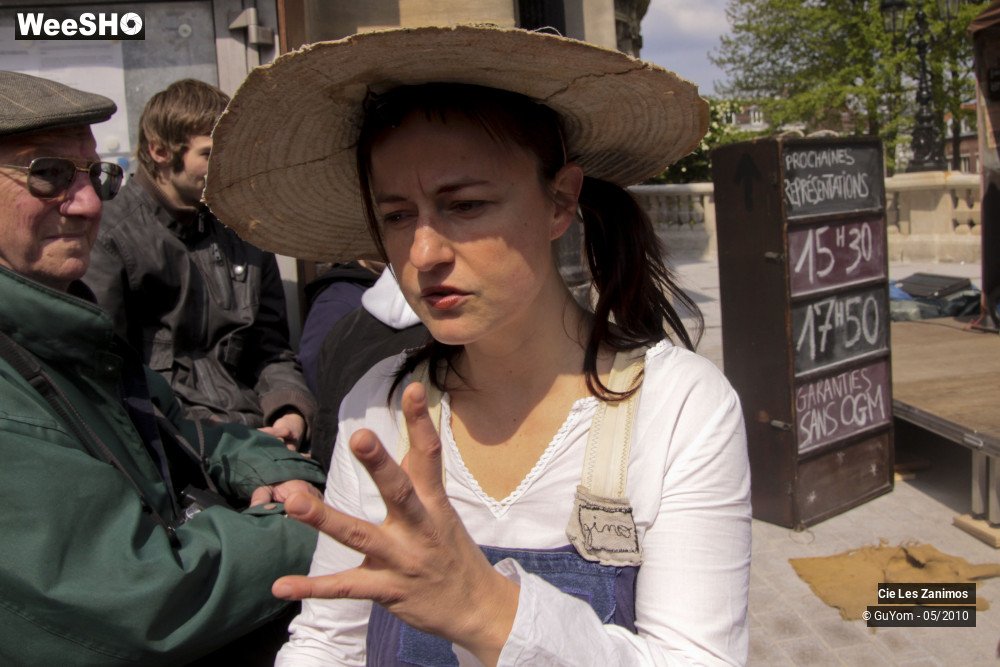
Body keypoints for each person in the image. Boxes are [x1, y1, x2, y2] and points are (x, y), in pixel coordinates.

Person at [206, 25, 751, 666]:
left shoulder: (678, 407)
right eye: (397, 216)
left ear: (560, 201)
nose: (424, 253)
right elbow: (329, 642)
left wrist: (484, 610)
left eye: (464, 205)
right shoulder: (380, 404)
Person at [0, 70, 326, 665]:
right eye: (48, 174)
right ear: (160, 151)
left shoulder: (61, 331)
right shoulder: (79, 306)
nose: (89, 203)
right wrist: (307, 524)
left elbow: (168, 422)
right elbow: (134, 596)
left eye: (97, 175)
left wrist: (278, 446)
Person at [84, 78, 314, 450]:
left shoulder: (243, 229)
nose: (224, 167)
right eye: (209, 154)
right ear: (160, 151)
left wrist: (290, 410)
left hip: (259, 431)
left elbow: (270, 349)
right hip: (175, 444)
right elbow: (108, 376)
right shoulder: (110, 238)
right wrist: (215, 444)